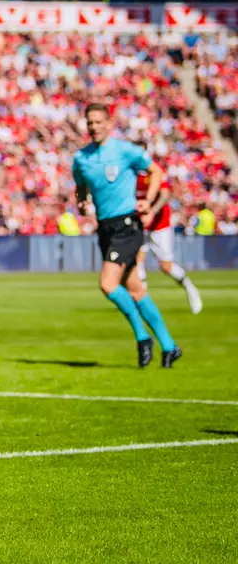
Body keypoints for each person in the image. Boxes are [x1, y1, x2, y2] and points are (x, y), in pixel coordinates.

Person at [71, 103, 180, 368]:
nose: (94, 127)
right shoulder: (81, 158)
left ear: (109, 123)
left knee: (108, 284)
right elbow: (80, 188)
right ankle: (169, 346)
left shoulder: (124, 150)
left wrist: (149, 200)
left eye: (99, 122)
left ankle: (143, 337)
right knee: (135, 289)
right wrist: (83, 203)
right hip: (105, 228)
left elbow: (155, 171)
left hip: (127, 225)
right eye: (90, 122)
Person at [135, 168, 202, 314]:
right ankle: (142, 301)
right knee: (137, 260)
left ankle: (189, 287)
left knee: (166, 266)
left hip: (160, 226)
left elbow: (165, 195)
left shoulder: (155, 170)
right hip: (139, 224)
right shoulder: (129, 171)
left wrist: (151, 212)